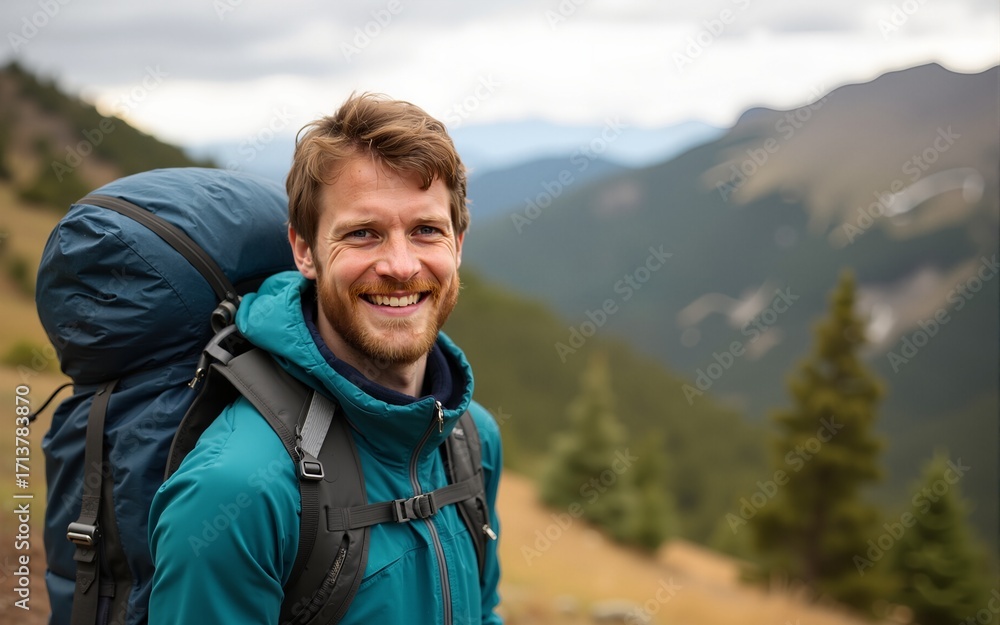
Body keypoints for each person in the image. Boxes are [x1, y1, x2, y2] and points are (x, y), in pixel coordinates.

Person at [147, 93, 503, 624]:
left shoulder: (470, 439)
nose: (402, 266)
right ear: (304, 250)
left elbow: (484, 611)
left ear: (458, 243)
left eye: (426, 230)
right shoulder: (237, 490)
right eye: (363, 233)